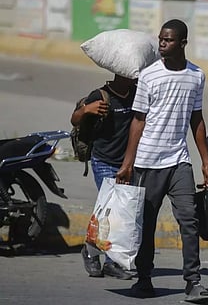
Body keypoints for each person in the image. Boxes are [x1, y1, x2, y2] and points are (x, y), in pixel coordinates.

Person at [115, 19, 208, 303]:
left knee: (190, 219)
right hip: (147, 162)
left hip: (178, 161)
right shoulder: (149, 76)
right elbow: (138, 120)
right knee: (146, 225)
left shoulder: (197, 76)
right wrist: (128, 162)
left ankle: (193, 282)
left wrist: (205, 160)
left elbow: (197, 119)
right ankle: (144, 279)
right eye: (160, 39)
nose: (162, 44)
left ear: (182, 43)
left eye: (168, 40)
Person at [71, 74, 136, 280]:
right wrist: (85, 110)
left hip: (127, 163)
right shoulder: (100, 95)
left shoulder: (136, 94)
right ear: (119, 73)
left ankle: (110, 262)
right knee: (109, 211)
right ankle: (91, 252)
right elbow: (74, 119)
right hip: (104, 161)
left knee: (120, 214)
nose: (134, 78)